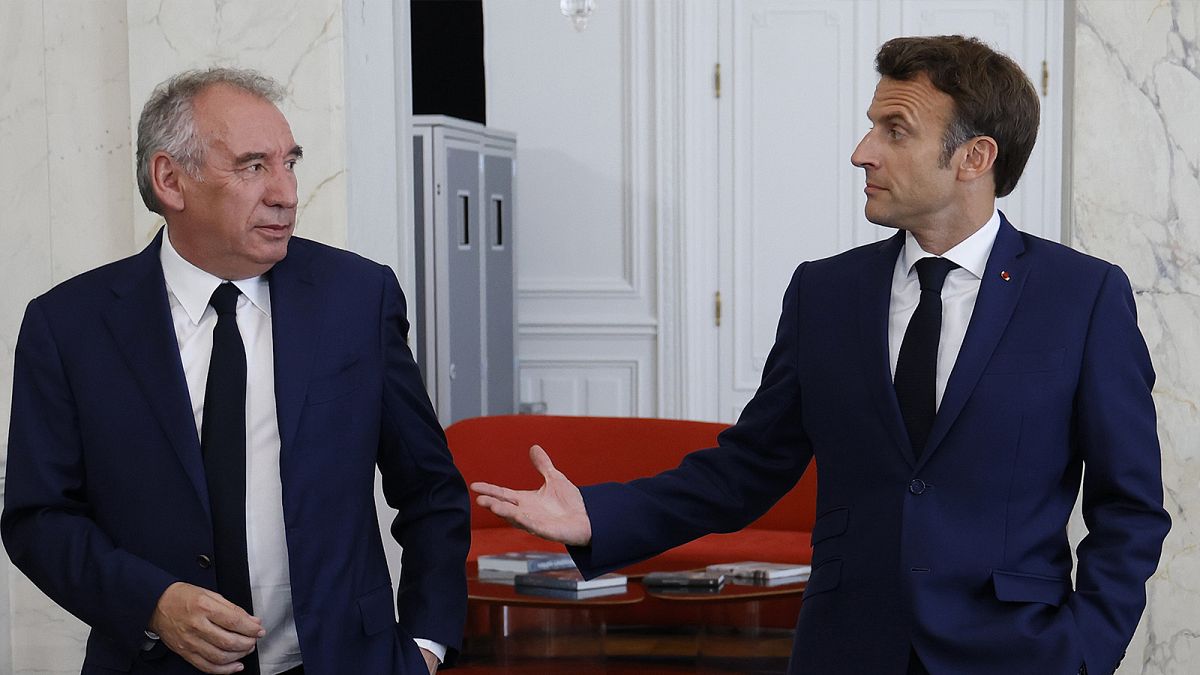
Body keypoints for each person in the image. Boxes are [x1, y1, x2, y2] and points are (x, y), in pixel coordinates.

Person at [472, 35, 1170, 675]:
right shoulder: (824, 292)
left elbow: (1129, 507)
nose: (862, 151)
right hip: (846, 648)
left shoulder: (1083, 297)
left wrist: (1083, 650)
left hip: (1019, 652)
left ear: (974, 158)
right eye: (872, 126)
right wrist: (597, 515)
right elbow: (746, 468)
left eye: (894, 131)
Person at [2, 68, 470, 675]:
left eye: (290, 163)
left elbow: (430, 488)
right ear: (170, 180)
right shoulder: (68, 326)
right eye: (253, 167)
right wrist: (152, 604)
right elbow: (39, 517)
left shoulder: (357, 298)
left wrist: (426, 648)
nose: (285, 192)